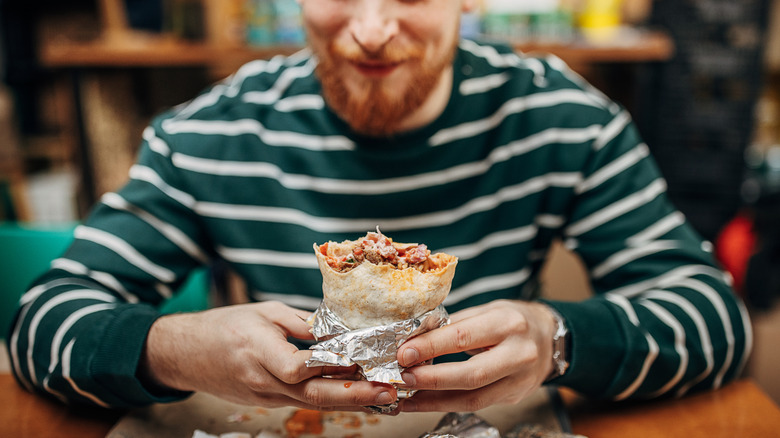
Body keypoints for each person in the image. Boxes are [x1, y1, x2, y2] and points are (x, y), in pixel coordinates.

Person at [6, 0, 751, 413]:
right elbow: (40, 324)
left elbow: (716, 320)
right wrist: (178, 349)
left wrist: (557, 339)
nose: (369, 32)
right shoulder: (203, 136)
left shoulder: (565, 120)